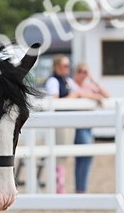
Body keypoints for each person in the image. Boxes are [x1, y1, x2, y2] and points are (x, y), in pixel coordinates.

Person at [43, 55, 105, 194]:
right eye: (64, 66)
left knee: (65, 155)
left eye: (68, 65)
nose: (68, 68)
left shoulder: (67, 80)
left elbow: (79, 93)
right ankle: (58, 187)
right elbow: (55, 100)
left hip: (67, 121)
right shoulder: (53, 81)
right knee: (60, 154)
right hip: (59, 121)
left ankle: (62, 186)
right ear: (56, 67)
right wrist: (75, 96)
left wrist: (94, 97)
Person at [71, 63, 110, 193]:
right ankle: (81, 188)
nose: (83, 74)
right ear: (76, 72)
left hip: (87, 126)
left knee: (84, 156)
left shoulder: (89, 85)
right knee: (86, 154)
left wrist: (93, 80)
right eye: (81, 71)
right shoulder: (71, 84)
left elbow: (107, 95)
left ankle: (81, 188)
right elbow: (77, 94)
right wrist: (95, 97)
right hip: (78, 124)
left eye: (86, 72)